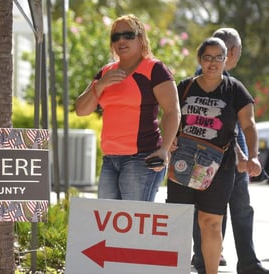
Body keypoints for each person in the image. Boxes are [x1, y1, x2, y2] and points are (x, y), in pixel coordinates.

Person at [166, 37, 261, 274]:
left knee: (211, 222)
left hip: (219, 167)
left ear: (226, 60)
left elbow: (248, 126)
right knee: (179, 221)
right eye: (207, 57)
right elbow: (169, 117)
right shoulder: (185, 87)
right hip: (182, 161)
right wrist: (169, 140)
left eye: (218, 57)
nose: (213, 63)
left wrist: (253, 156)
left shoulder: (235, 89)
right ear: (200, 59)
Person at [75, 14, 180, 201]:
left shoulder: (154, 69)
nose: (121, 40)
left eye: (127, 35)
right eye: (115, 37)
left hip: (142, 158)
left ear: (140, 38)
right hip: (110, 159)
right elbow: (81, 109)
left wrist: (164, 149)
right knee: (107, 222)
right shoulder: (106, 72)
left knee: (134, 225)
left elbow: (172, 110)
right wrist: (99, 85)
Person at [191, 28, 269, 274]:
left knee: (235, 207)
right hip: (219, 156)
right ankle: (208, 260)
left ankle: (239, 261)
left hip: (230, 155)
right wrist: (242, 156)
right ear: (234, 51)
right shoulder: (205, 79)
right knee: (213, 208)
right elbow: (214, 126)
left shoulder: (227, 81)